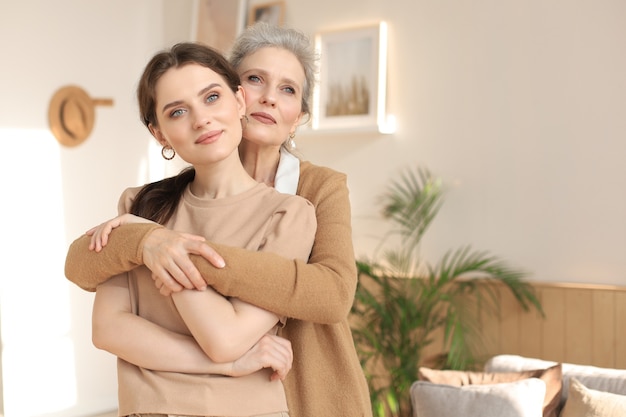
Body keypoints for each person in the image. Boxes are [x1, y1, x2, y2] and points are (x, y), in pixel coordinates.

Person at [65, 23, 373, 417]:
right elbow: (83, 268)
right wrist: (145, 242)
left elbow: (331, 295)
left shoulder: (312, 195)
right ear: (238, 93)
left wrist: (176, 251)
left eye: (288, 90)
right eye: (255, 79)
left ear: (299, 116)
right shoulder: (152, 202)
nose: (269, 99)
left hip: (297, 388)